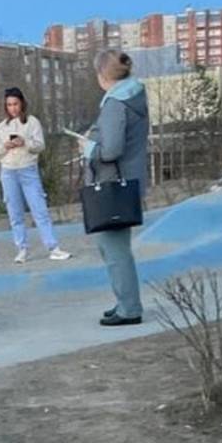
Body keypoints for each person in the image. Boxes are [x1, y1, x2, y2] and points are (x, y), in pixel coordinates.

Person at [84, 50, 148, 327]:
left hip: (112, 185)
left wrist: (88, 148)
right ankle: (125, 301)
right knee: (115, 248)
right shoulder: (135, 97)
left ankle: (129, 308)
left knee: (115, 251)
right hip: (128, 181)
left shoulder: (114, 104)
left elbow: (110, 150)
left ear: (102, 75)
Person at [0, 87, 71, 264]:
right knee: (15, 213)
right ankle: (22, 249)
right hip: (8, 172)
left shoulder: (32, 122)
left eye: (15, 104)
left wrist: (25, 142)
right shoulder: (2, 127)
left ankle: (53, 247)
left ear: (22, 104)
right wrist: (6, 146)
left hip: (28, 170)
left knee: (40, 210)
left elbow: (40, 145)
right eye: (9, 105)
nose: (13, 108)